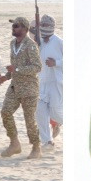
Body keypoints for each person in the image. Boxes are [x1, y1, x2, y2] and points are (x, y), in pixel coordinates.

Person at [0, 17, 42, 159]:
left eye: (16, 26)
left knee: (29, 121)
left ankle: (36, 147)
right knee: (5, 112)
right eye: (13, 25)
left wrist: (17, 69)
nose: (13, 28)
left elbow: (37, 67)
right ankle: (15, 143)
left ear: (25, 29)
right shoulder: (12, 44)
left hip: (29, 89)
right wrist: (6, 76)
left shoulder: (31, 45)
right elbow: (13, 67)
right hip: (15, 87)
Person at [36, 15, 63, 147]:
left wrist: (56, 63)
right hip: (42, 82)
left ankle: (57, 123)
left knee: (55, 113)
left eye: (47, 25)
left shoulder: (59, 42)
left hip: (56, 82)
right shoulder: (39, 42)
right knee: (40, 111)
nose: (44, 28)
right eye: (43, 25)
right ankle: (47, 140)